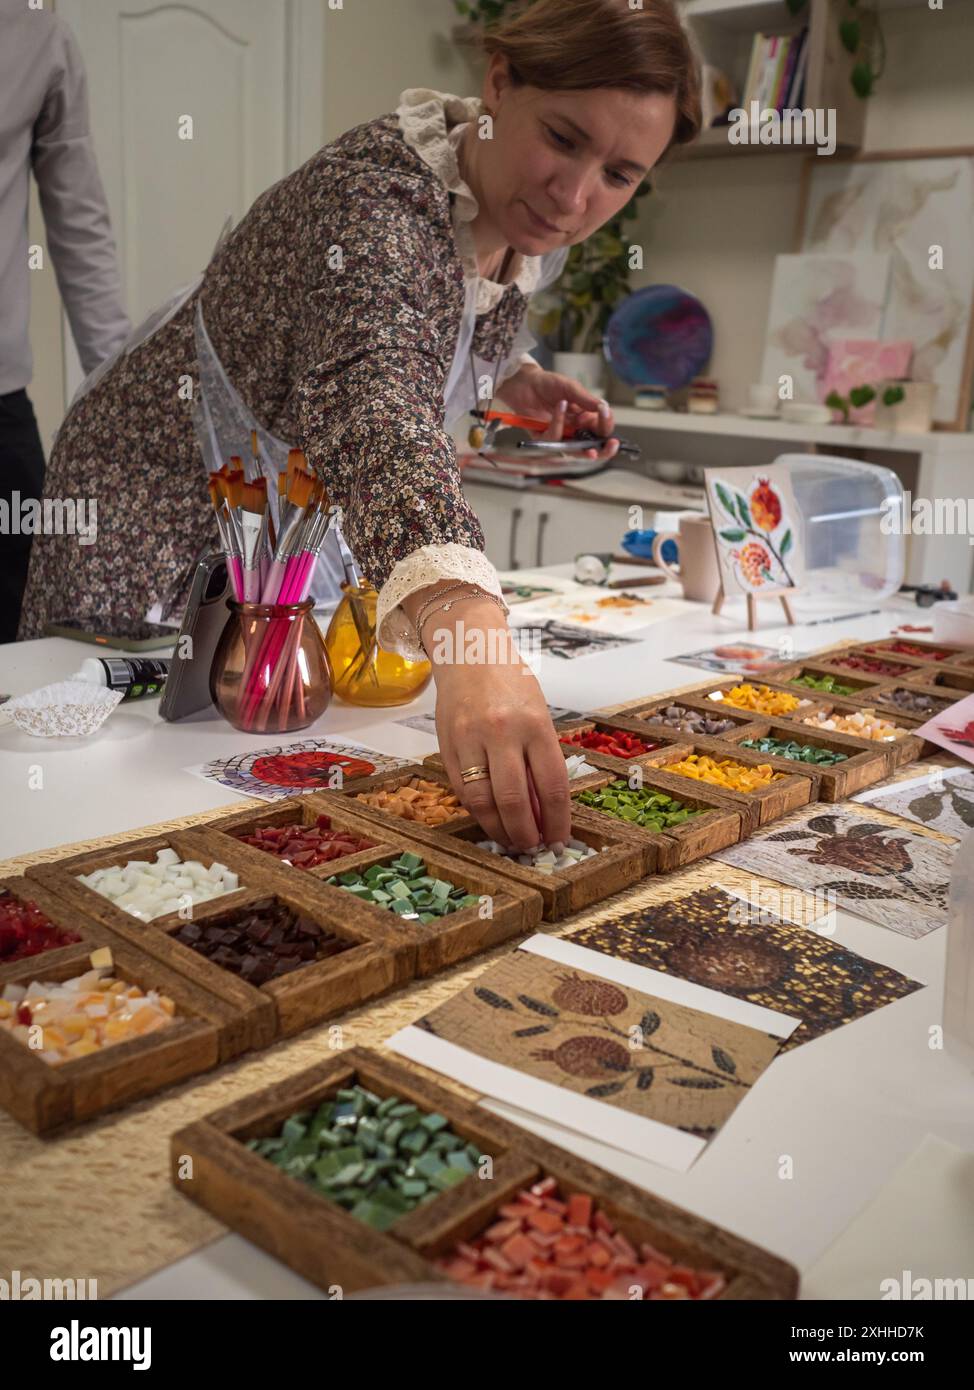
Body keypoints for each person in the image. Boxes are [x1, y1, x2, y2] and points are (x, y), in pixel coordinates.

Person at [18, 0, 700, 849]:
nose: (574, 196)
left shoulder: (517, 215)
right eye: (562, 138)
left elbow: (432, 319)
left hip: (275, 507)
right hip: (148, 493)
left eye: (620, 175)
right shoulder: (375, 196)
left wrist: (513, 376)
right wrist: (471, 636)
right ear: (497, 82)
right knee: (110, 758)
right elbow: (371, 397)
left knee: (248, 752)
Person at [0, 0, 130, 643]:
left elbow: (80, 228)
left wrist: (128, 404)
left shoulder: (38, 33)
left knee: (26, 641)